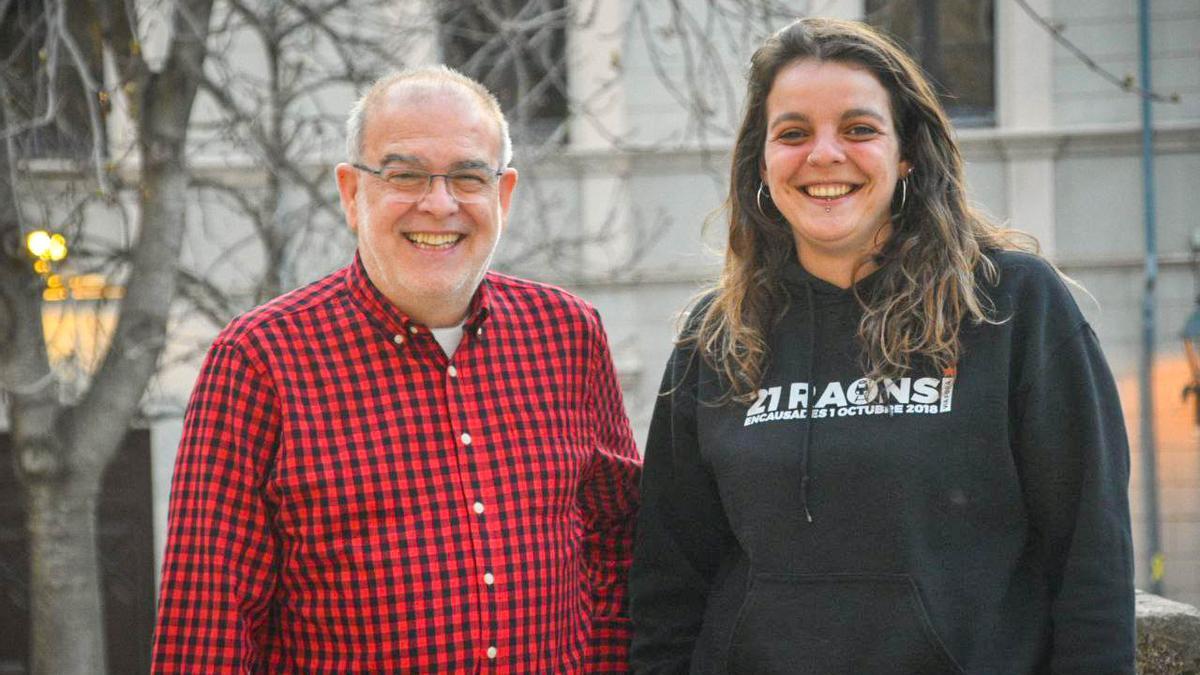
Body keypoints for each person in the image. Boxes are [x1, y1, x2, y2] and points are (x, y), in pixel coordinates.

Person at [630, 17, 1134, 674]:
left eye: (859, 129)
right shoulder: (713, 338)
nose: (825, 154)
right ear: (763, 161)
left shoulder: (1009, 304)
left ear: (906, 155)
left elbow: (1090, 558)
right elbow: (668, 585)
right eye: (793, 133)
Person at [151, 66, 641, 673]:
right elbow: (208, 630)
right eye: (405, 175)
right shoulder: (260, 362)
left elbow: (621, 551)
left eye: (467, 176)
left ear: (503, 195)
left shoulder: (568, 337)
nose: (439, 204)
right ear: (353, 193)